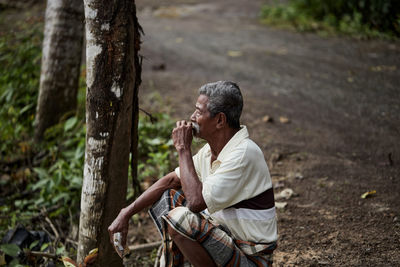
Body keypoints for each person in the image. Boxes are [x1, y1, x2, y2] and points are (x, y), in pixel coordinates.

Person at [108, 81, 277, 266]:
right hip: (227, 241)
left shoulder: (243, 153)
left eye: (198, 112)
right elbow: (171, 180)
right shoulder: (210, 151)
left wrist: (183, 149)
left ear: (220, 120)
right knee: (169, 197)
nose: (192, 117)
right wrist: (126, 213)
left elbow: (196, 203)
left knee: (181, 219)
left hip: (251, 258)